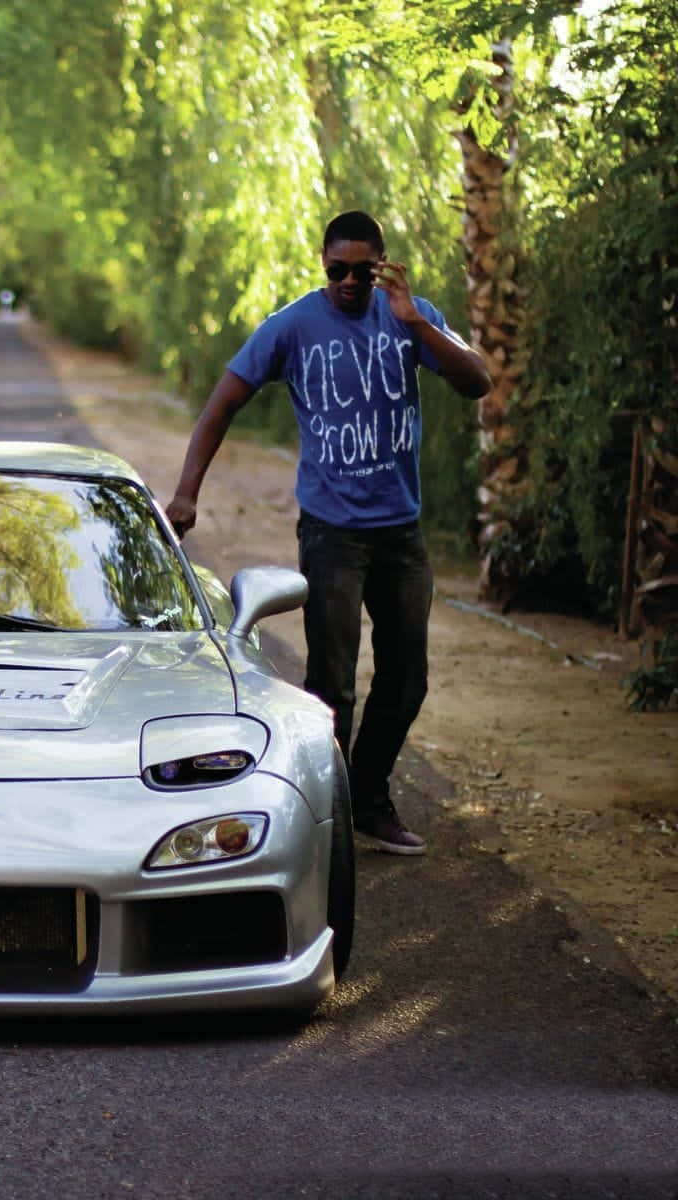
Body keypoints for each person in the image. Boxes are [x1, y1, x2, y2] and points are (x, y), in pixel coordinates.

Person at [165, 210, 492, 855]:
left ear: (382, 266)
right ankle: (324, 817)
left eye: (362, 270)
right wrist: (186, 491)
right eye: (337, 268)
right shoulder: (293, 325)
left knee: (407, 678)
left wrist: (416, 320)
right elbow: (223, 403)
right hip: (332, 535)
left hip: (401, 534)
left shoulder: (409, 316)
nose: (348, 281)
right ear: (322, 263)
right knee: (333, 682)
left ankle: (367, 799)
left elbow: (476, 381)